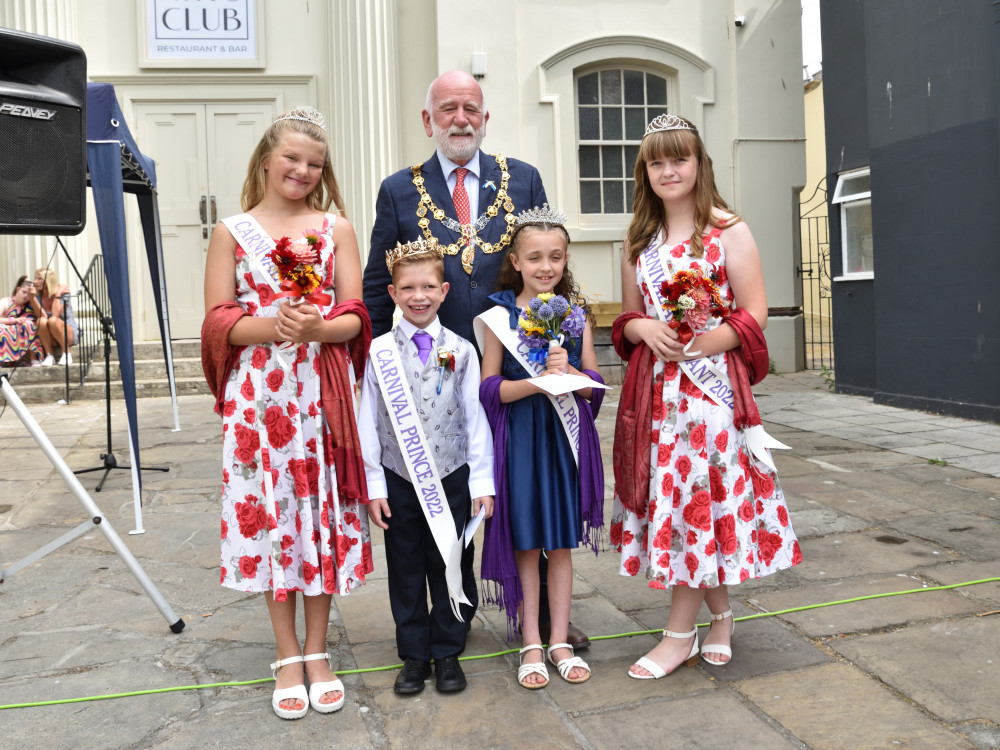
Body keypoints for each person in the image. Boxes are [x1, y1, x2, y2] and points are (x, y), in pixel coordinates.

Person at [363, 69, 589, 649]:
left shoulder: (525, 179)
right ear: (428, 120)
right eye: (447, 109)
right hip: (431, 382)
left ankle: (539, 622)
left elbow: (547, 271)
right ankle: (444, 625)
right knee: (451, 495)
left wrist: (563, 351)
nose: (459, 119)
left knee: (526, 495)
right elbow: (372, 288)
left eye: (470, 108)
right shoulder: (397, 190)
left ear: (484, 117)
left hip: (514, 373)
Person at [611, 114, 801, 680]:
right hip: (656, 395)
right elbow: (628, 318)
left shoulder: (727, 229)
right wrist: (644, 331)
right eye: (656, 161)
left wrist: (701, 342)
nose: (668, 171)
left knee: (696, 501)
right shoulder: (637, 240)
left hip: (710, 395)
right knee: (678, 505)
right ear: (644, 171)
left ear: (699, 164)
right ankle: (720, 618)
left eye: (680, 159)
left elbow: (756, 312)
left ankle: (677, 635)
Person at [200, 106, 374, 719]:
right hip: (259, 398)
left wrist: (320, 325)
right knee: (274, 515)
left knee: (317, 513)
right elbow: (219, 321)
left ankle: (319, 650)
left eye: (315, 164)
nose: (302, 170)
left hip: (319, 391)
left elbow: (357, 314)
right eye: (293, 158)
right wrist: (272, 324)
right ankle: (285, 652)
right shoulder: (232, 231)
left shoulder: (335, 229)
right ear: (267, 158)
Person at [358, 238, 495, 696]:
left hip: (452, 474)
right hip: (399, 478)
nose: (419, 296)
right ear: (393, 293)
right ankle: (415, 654)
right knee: (405, 566)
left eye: (428, 287)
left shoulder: (462, 349)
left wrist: (482, 481)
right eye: (408, 287)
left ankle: (448, 650)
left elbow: (475, 421)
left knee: (452, 561)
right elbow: (367, 423)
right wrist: (374, 483)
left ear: (444, 290)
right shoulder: (377, 353)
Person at [475, 206, 605, 689]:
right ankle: (530, 639)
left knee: (561, 544)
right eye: (534, 258)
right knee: (527, 542)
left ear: (566, 258)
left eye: (554, 257)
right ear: (515, 260)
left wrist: (570, 375)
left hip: (564, 442)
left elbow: (594, 387)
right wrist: (536, 384)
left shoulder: (577, 316)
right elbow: (490, 389)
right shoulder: (498, 318)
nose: (545, 267)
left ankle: (559, 642)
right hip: (522, 441)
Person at [33, 267, 79, 366]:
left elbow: (55, 314)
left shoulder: (64, 294)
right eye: (35, 278)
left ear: (48, 280)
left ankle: (66, 354)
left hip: (68, 333)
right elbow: (42, 316)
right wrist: (31, 298)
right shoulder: (36, 297)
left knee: (53, 320)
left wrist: (58, 294)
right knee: (41, 320)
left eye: (39, 279)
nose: (35, 282)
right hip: (51, 337)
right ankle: (50, 355)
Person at [0, 276, 45, 366]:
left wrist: (33, 298)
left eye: (28, 295)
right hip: (8, 330)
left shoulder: (30, 305)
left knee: (30, 324)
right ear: (18, 289)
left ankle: (33, 358)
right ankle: (4, 360)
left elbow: (43, 316)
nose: (25, 296)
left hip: (24, 333)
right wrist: (14, 320)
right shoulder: (6, 301)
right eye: (23, 292)